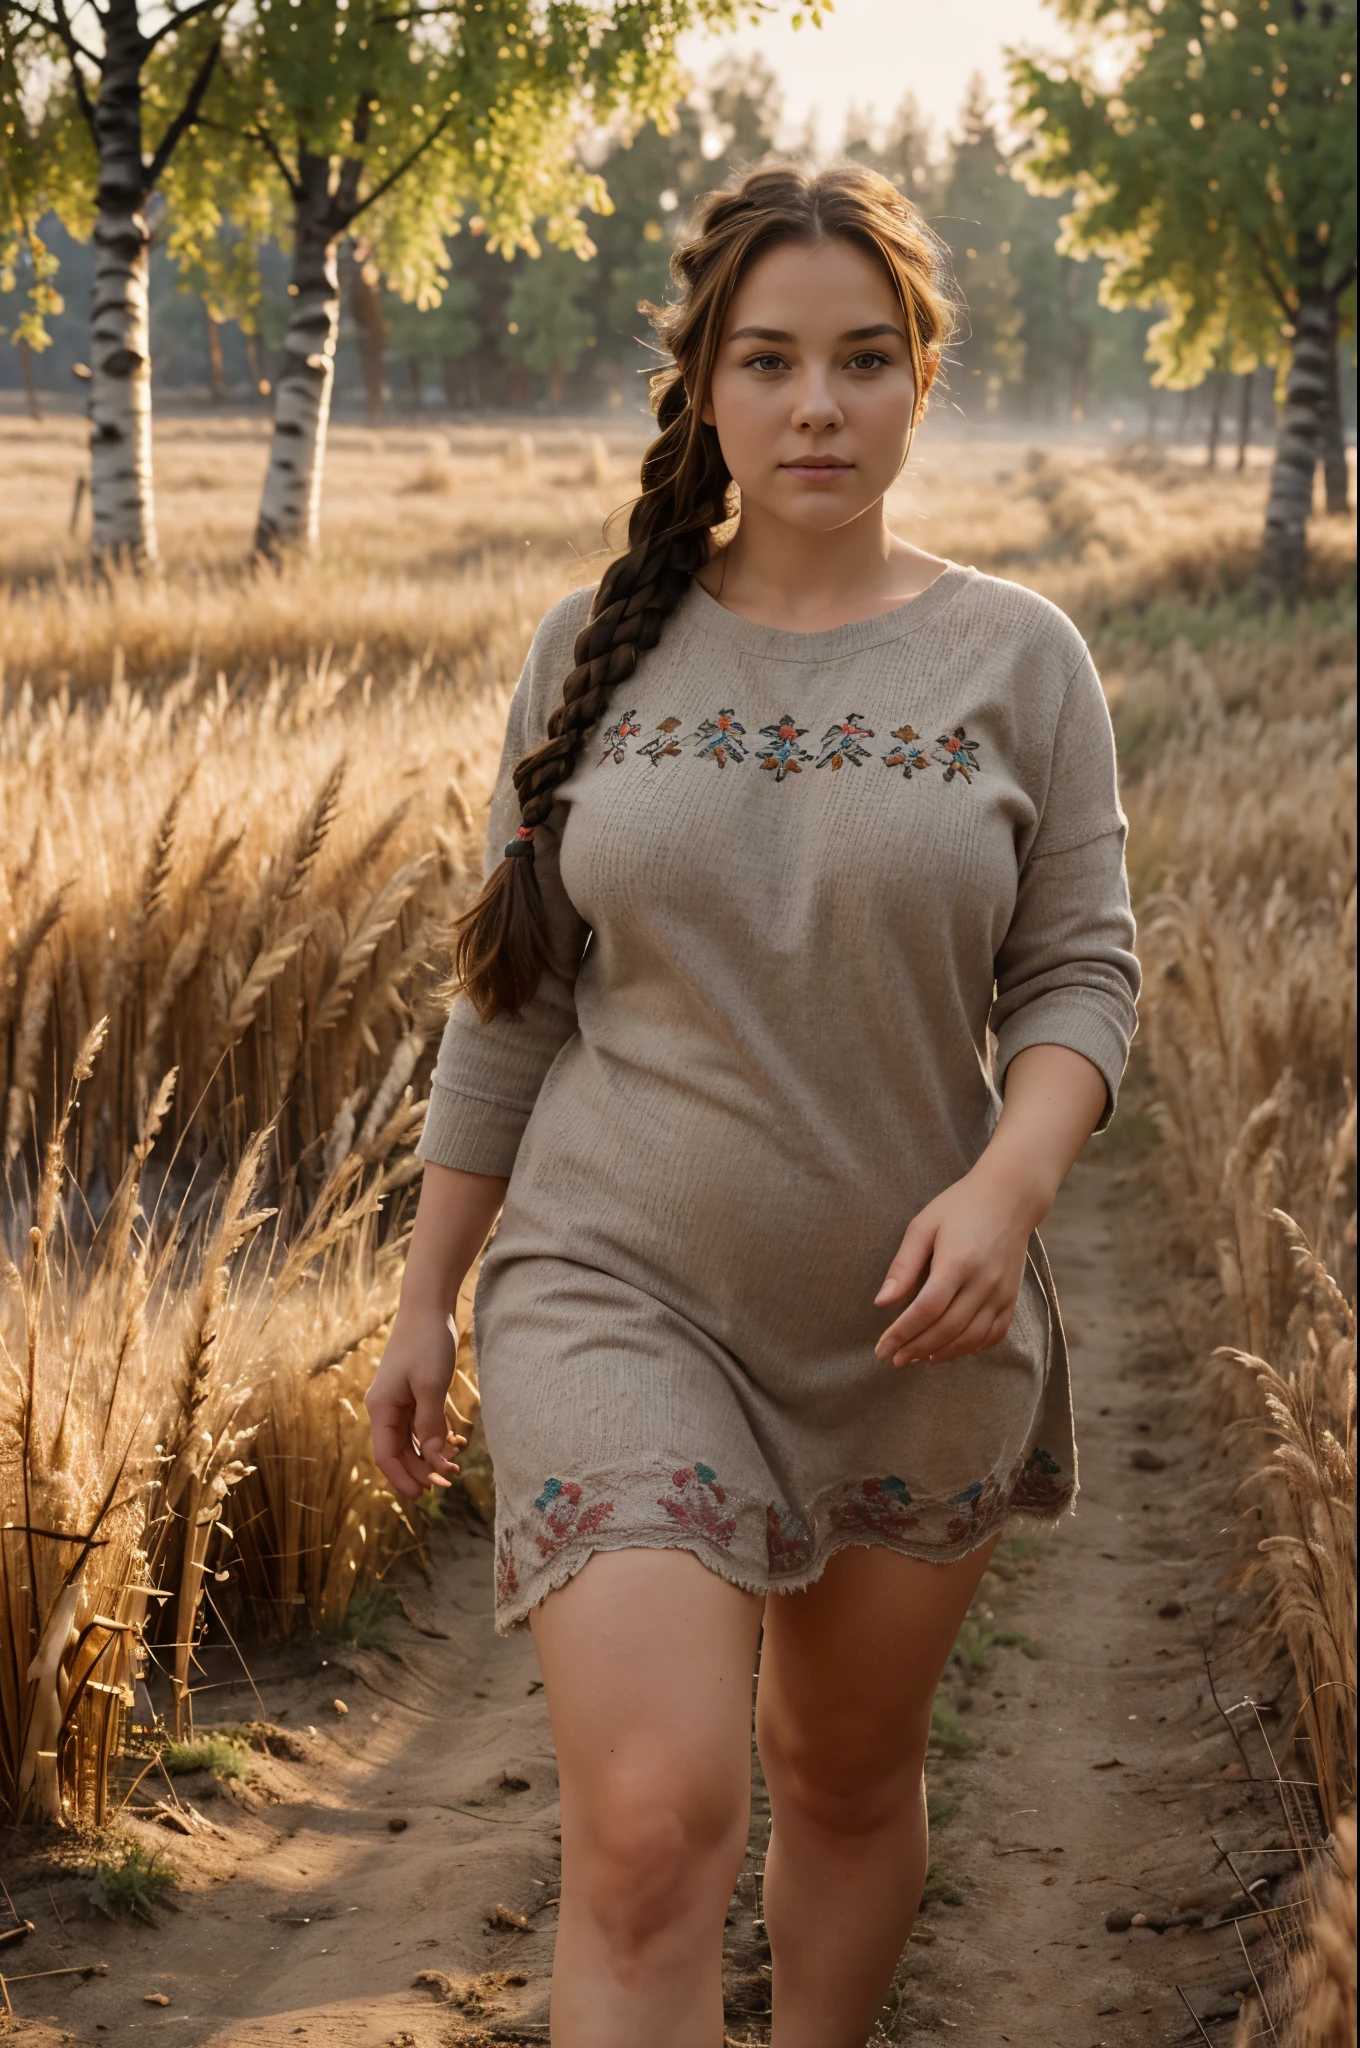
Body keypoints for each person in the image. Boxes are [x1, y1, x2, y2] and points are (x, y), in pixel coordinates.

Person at [366, 160, 1141, 2048]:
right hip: (616, 1288)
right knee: (650, 1825)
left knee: (849, 1782)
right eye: (772, 359)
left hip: (911, 1329)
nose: (819, 405)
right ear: (704, 385)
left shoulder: (1019, 658)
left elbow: (1078, 978)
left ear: (922, 380)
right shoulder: (590, 650)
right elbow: (514, 995)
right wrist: (422, 1295)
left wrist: (1011, 1189)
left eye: (864, 360)